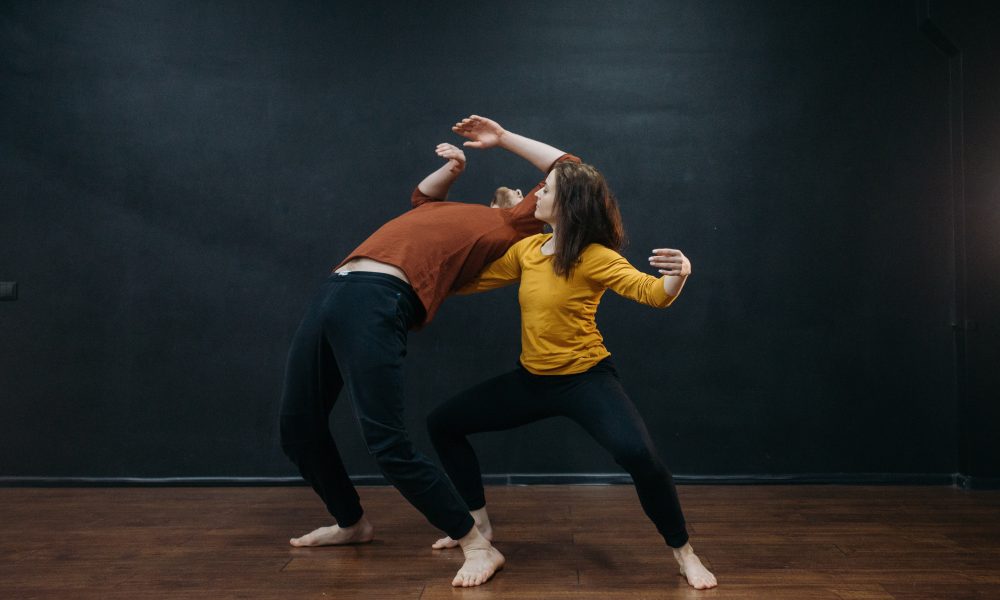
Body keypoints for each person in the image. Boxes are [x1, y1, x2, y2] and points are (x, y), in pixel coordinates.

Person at [278, 115, 580, 587]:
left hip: (376, 298)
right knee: (297, 426)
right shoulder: (454, 213)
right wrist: (453, 169)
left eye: (541, 194)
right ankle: (351, 522)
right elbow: (422, 198)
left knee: (387, 442)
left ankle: (477, 544)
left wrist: (500, 140)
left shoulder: (513, 226)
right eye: (533, 191)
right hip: (334, 291)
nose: (536, 193)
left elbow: (567, 167)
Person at [425, 135, 719, 590]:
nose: (536, 193)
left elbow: (652, 294)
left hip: (585, 381)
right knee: (443, 423)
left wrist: (679, 275)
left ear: (569, 203)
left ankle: (685, 552)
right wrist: (426, 270)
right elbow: (470, 283)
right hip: (533, 380)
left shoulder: (593, 257)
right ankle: (478, 524)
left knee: (640, 456)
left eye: (545, 190)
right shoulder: (527, 252)